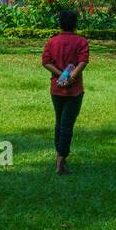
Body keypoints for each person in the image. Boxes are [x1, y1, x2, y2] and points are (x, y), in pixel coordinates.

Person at [41, 9, 89, 175]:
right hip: (74, 90)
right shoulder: (82, 41)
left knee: (59, 122)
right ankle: (61, 160)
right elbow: (83, 62)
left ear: (59, 23)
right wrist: (71, 78)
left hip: (56, 88)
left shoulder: (52, 41)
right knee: (67, 124)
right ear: (75, 24)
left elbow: (45, 62)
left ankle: (59, 157)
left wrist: (60, 75)